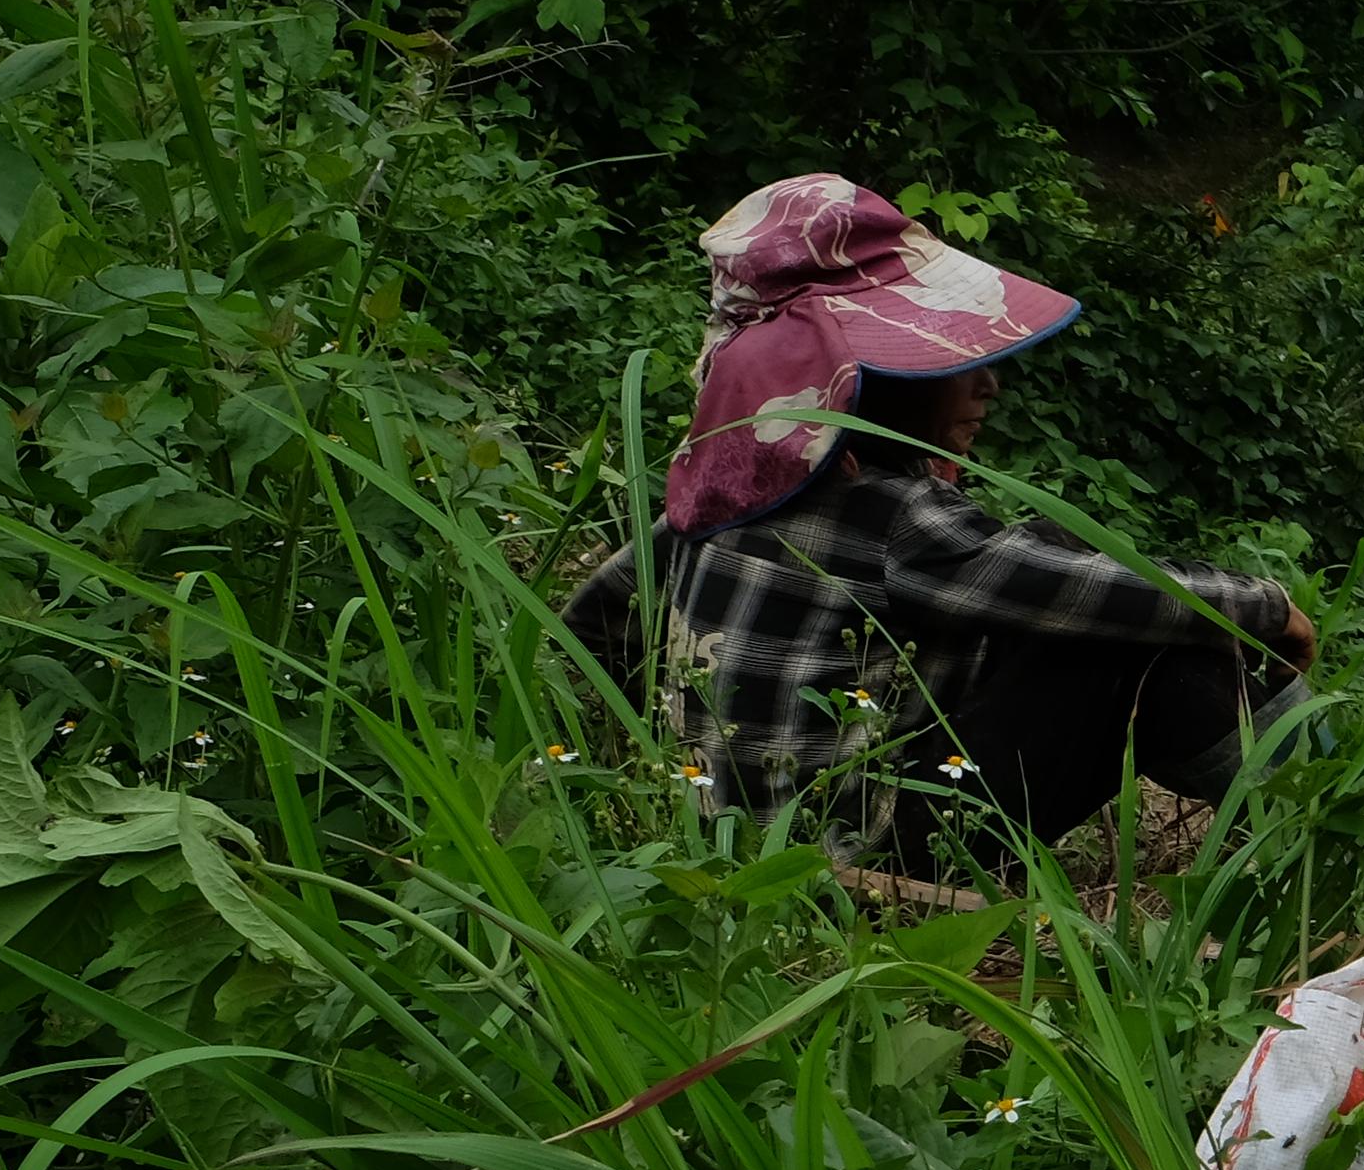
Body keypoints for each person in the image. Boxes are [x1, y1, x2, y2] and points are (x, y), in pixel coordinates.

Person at [564, 175, 1317, 858]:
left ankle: (1306, 800)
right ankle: (1319, 817)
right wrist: (1269, 607)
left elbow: (590, 629)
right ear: (874, 384)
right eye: (955, 365)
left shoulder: (727, 491)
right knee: (1141, 645)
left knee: (1059, 572)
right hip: (858, 857)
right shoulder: (891, 515)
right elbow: (1096, 596)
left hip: (726, 835)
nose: (989, 385)